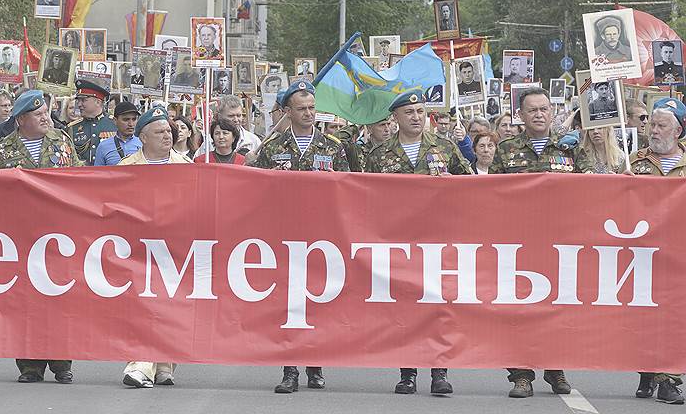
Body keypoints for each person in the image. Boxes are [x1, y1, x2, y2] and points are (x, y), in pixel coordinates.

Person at [365, 89, 469, 395]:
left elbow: (471, 182)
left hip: (438, 239)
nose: (415, 117)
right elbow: (364, 196)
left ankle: (439, 371)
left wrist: (455, 185)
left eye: (420, 112)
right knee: (405, 306)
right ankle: (407, 371)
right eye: (409, 112)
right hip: (398, 240)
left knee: (438, 305)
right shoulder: (379, 155)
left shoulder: (445, 147)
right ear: (395, 117)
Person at [488, 87, 590, 398]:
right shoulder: (506, 150)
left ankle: (555, 367)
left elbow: (593, 188)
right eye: (532, 110)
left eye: (544, 108)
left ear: (552, 111)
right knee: (518, 310)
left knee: (557, 309)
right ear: (520, 115)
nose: (539, 114)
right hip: (517, 245)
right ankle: (521, 374)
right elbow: (489, 193)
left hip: (561, 244)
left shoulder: (571, 149)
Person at [251, 81, 348, 392]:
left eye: (311, 108)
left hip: (322, 237)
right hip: (284, 235)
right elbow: (257, 195)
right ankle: (289, 369)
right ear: (288, 112)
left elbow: (349, 193)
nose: (308, 113)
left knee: (318, 301)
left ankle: (315, 364)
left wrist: (336, 185)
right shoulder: (273, 148)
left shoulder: (333, 147)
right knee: (288, 304)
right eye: (302, 109)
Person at [0, 90, 79, 383]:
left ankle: (62, 362)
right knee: (25, 301)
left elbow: (79, 179)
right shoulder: (2, 151)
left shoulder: (62, 142)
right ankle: (30, 365)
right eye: (37, 114)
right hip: (21, 236)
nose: (45, 117)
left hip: (59, 235)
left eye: (46, 112)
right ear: (21, 119)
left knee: (60, 297)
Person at [117, 105, 190, 388]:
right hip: (137, 248)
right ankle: (140, 364)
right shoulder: (126, 167)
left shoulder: (186, 167)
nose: (167, 136)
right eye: (159, 132)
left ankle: (164, 363)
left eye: (168, 131)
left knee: (169, 306)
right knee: (141, 307)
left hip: (173, 249)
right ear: (143, 137)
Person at [628, 97, 686, 404]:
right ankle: (647, 370)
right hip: (642, 252)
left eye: (662, 125)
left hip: (679, 255)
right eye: (652, 123)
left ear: (678, 130)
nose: (654, 130)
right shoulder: (634, 162)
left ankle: (668, 380)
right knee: (646, 317)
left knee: (675, 317)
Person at [67, 80, 117, 166]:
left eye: (83, 100)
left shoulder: (114, 124)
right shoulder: (72, 127)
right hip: (82, 175)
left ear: (98, 102)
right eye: (78, 100)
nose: (79, 104)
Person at [196, 95, 261, 156]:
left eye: (239, 115)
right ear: (220, 116)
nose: (236, 120)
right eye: (231, 116)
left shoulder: (253, 141)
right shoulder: (209, 143)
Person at [94, 101, 141, 166]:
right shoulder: (103, 146)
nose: (131, 124)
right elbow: (98, 173)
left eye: (134, 119)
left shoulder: (143, 144)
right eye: (126, 119)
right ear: (115, 121)